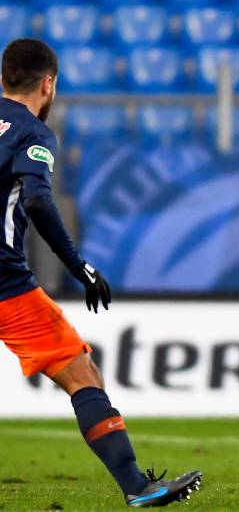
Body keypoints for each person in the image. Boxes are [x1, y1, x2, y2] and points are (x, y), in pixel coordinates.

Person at [0, 38, 202, 507]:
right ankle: (137, 486)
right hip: (5, 284)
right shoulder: (31, 132)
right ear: (48, 84)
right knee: (82, 373)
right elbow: (36, 198)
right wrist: (79, 266)